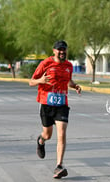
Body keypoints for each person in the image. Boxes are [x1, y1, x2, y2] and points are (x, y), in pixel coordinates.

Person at [29, 40, 81, 179]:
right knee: (48, 135)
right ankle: (41, 141)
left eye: (64, 49)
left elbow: (68, 81)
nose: (62, 52)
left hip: (62, 104)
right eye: (59, 50)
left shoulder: (69, 66)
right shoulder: (45, 64)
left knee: (62, 134)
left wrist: (75, 86)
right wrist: (40, 81)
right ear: (54, 51)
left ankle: (59, 166)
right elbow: (31, 81)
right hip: (46, 103)